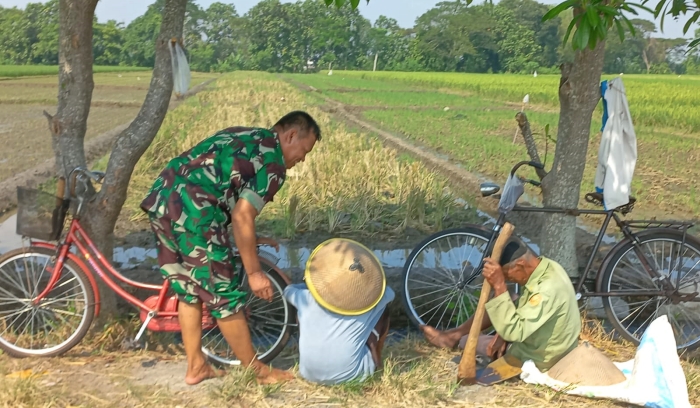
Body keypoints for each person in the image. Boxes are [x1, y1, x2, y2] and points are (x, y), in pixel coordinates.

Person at [140, 111, 321, 385]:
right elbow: (242, 216)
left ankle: (196, 366)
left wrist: (248, 237)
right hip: (195, 212)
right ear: (291, 135)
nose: (302, 159)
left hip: (163, 198)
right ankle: (257, 370)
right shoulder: (274, 165)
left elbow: (225, 194)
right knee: (224, 294)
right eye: (304, 150)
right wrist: (255, 273)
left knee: (189, 290)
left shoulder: (244, 134)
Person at [421, 239, 581, 372]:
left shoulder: (545, 289)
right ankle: (453, 335)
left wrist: (499, 285)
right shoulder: (547, 266)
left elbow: (514, 333)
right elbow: (520, 308)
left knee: (467, 341)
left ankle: (456, 337)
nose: (508, 280)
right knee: (508, 298)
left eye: (506, 275)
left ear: (520, 265)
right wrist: (501, 335)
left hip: (543, 357)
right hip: (546, 341)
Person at [283, 238, 395, 385]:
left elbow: (288, 290)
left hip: (308, 373)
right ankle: (376, 358)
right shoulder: (369, 304)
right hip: (355, 375)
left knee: (301, 311)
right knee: (383, 310)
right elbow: (389, 293)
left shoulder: (305, 297)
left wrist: (307, 286)